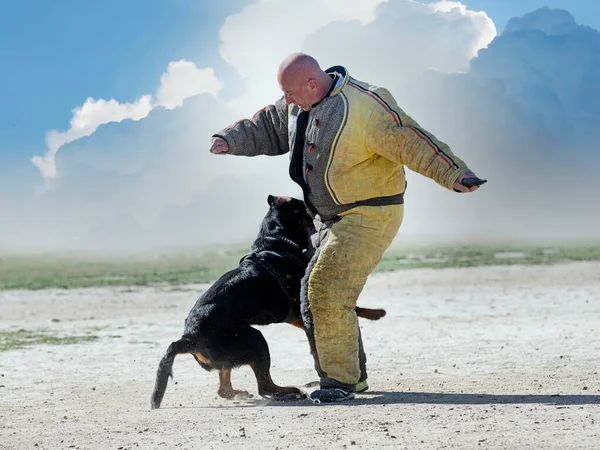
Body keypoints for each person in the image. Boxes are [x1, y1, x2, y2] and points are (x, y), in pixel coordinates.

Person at [209, 53, 483, 403]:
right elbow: (270, 125)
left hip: (369, 214)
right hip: (326, 217)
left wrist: (454, 173)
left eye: (291, 93)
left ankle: (338, 382)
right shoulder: (297, 102)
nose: (288, 101)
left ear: (312, 83)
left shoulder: (366, 106)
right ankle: (353, 376)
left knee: (326, 285)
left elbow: (412, 140)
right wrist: (230, 139)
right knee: (314, 289)